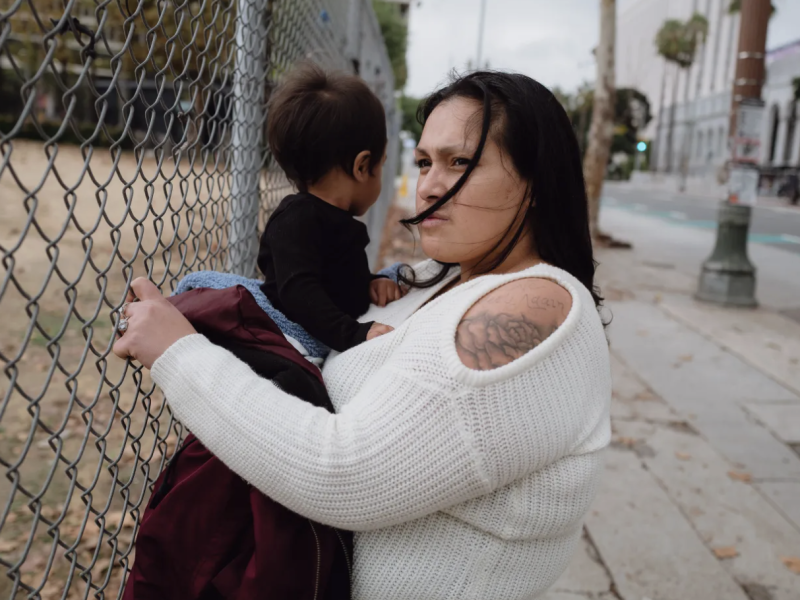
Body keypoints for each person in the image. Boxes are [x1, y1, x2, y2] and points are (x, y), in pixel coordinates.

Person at [113, 70, 612, 600]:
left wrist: (178, 352)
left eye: (460, 162)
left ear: (535, 180)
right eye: (424, 162)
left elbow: (342, 472)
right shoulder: (449, 279)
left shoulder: (532, 307)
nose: (430, 184)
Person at [257, 62, 401, 354]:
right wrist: (354, 335)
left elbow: (336, 281)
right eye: (382, 164)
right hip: (287, 347)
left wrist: (370, 284)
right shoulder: (296, 219)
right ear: (362, 166)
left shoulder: (336, 221)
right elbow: (298, 293)